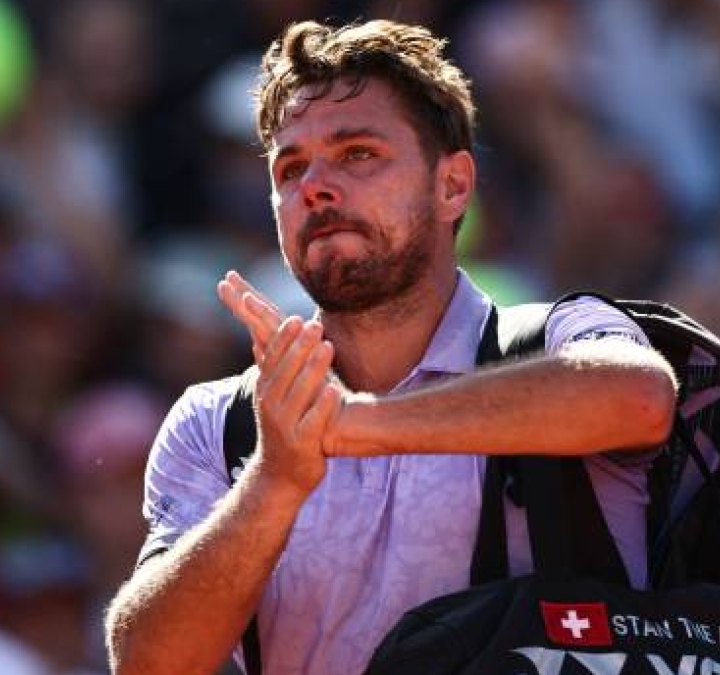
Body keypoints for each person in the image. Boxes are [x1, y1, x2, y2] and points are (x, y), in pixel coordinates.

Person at [104, 19, 678, 675]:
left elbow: (642, 396)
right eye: (290, 168)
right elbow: (146, 662)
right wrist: (274, 480)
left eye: (357, 154)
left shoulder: (558, 338)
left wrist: (359, 425)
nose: (314, 185)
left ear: (453, 185)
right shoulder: (218, 423)